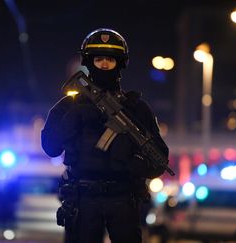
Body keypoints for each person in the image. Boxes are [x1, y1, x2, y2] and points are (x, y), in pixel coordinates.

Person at [41, 28, 169, 243]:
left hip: (123, 199)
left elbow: (159, 160)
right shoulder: (69, 106)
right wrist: (73, 119)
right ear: (89, 63)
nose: (104, 65)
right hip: (83, 199)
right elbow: (51, 147)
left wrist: (131, 160)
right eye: (99, 59)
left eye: (109, 60)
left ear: (120, 63)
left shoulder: (136, 109)